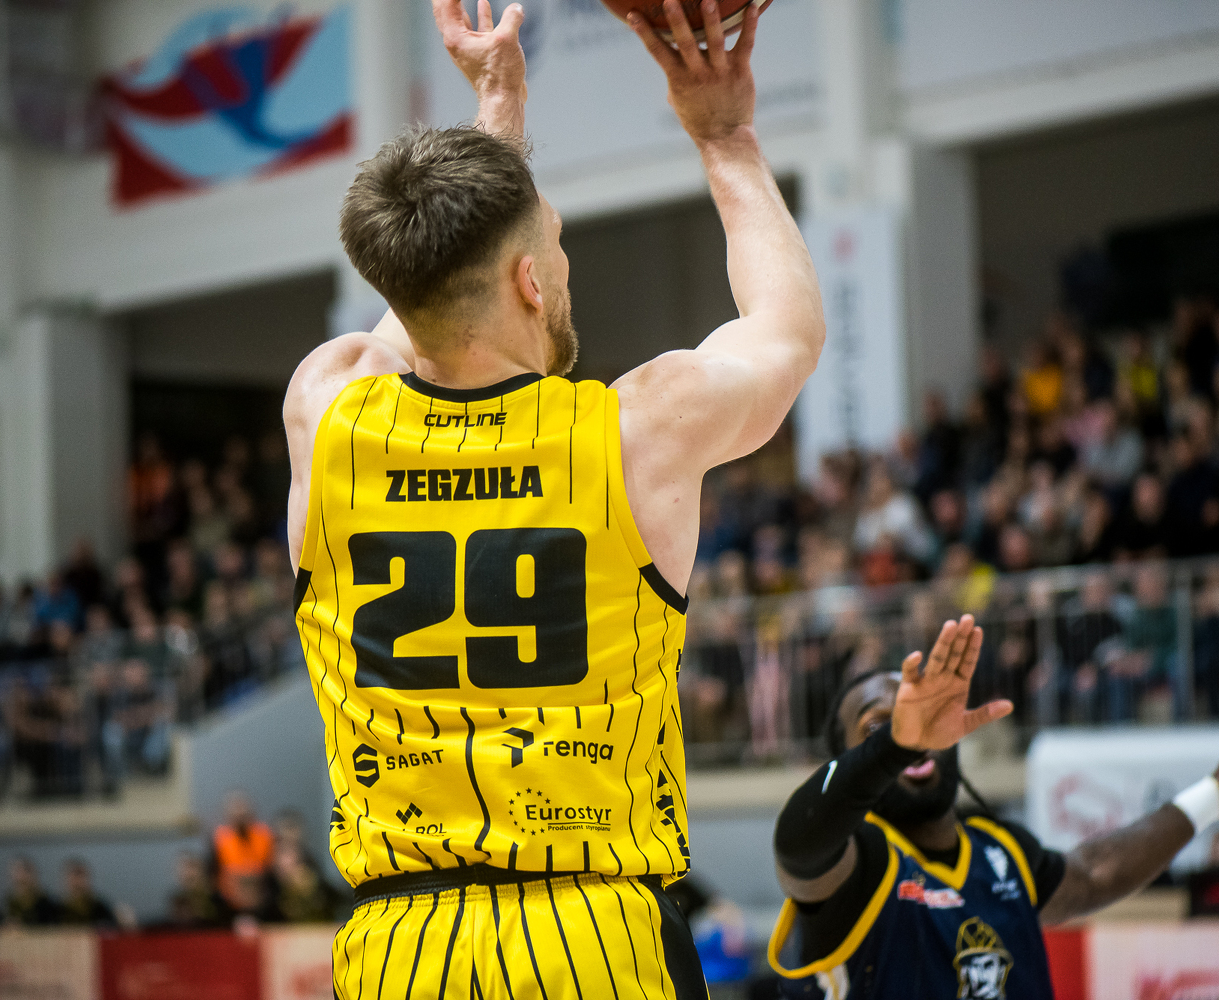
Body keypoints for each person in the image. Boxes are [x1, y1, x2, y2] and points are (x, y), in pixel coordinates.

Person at [282, 0, 823, 995]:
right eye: (558, 247)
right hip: (592, 935)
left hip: (399, 947)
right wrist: (724, 138)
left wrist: (498, 108)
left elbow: (428, 289)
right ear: (532, 281)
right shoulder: (637, 430)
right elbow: (786, 331)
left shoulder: (326, 413)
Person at [768, 614, 1219, 999]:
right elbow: (797, 845)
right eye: (876, 728)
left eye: (917, 717)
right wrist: (893, 746)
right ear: (851, 762)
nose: (911, 734)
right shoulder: (857, 863)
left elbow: (1095, 873)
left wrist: (1215, 795)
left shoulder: (1000, 849)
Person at [208, 791, 275, 913]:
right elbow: (215, 872)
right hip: (228, 902)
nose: (239, 813)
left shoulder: (264, 835)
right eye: (235, 808)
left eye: (242, 808)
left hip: (260, 898)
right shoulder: (220, 837)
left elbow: (269, 870)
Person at [56, 858, 120, 928]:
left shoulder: (100, 909)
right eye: (74, 876)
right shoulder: (56, 910)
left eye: (81, 876)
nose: (78, 882)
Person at [2, 856, 60, 926]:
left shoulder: (46, 903)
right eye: (17, 872)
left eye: (25, 872)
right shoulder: (10, 902)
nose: (21, 877)